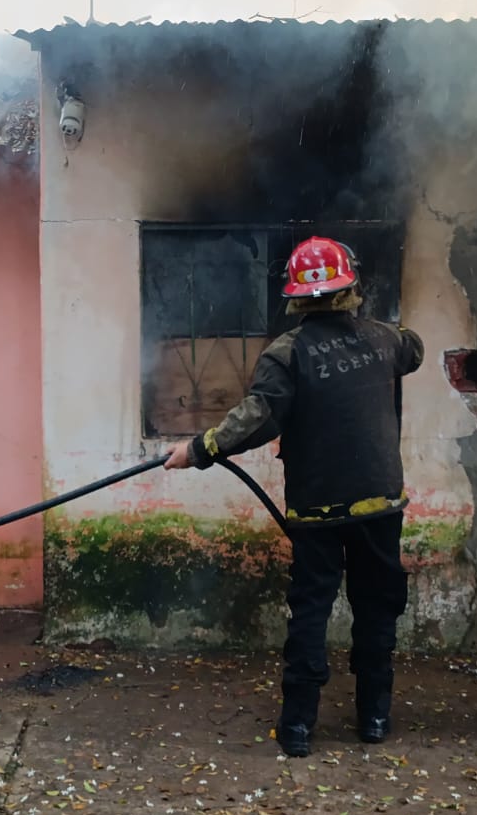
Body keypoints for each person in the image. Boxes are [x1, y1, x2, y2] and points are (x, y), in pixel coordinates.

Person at [164, 236, 424, 758]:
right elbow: (413, 348)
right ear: (351, 287)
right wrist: (372, 323)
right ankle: (374, 717)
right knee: (377, 607)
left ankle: (299, 726)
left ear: (297, 296)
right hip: (379, 502)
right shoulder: (385, 339)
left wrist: (198, 449)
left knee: (311, 610)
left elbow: (259, 416)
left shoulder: (286, 353)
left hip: (316, 507)